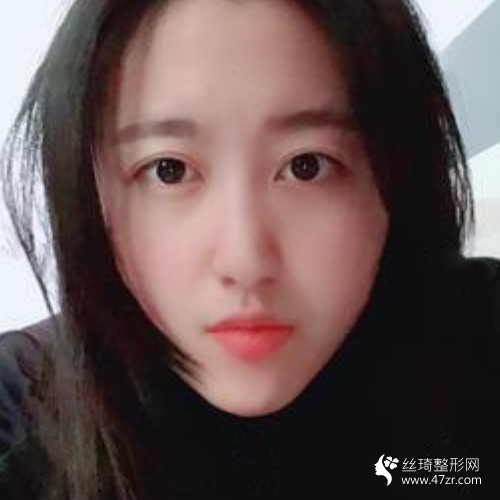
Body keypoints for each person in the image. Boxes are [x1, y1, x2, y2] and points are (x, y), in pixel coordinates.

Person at [0, 0, 499, 498]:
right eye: (169, 170)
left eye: (307, 166)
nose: (245, 261)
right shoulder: (22, 409)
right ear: (87, 191)